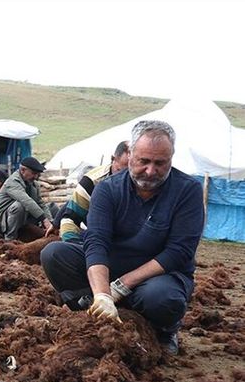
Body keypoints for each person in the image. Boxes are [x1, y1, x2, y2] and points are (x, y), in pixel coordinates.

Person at [40, 120, 204, 355]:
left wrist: (121, 286)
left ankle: (164, 330)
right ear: (131, 155)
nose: (150, 171)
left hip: (158, 275)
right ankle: (90, 308)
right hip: (113, 266)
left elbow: (179, 251)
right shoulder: (107, 189)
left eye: (160, 163)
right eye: (143, 161)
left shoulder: (187, 191)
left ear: (171, 159)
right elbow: (96, 241)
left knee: (161, 298)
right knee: (54, 254)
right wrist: (102, 294)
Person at [58, 141, 130, 242]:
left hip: (135, 243)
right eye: (120, 171)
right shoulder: (91, 181)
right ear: (113, 159)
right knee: (53, 251)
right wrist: (72, 242)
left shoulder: (147, 181)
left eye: (130, 172)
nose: (124, 177)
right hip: (99, 241)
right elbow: (70, 218)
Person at [0, 157, 54, 241]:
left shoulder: (33, 184)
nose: (35, 177)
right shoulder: (12, 182)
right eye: (33, 173)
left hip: (23, 218)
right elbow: (26, 201)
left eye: (37, 174)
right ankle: (10, 239)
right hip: (3, 221)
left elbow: (40, 203)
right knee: (19, 206)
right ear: (23, 170)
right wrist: (44, 219)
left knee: (52, 207)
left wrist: (50, 221)